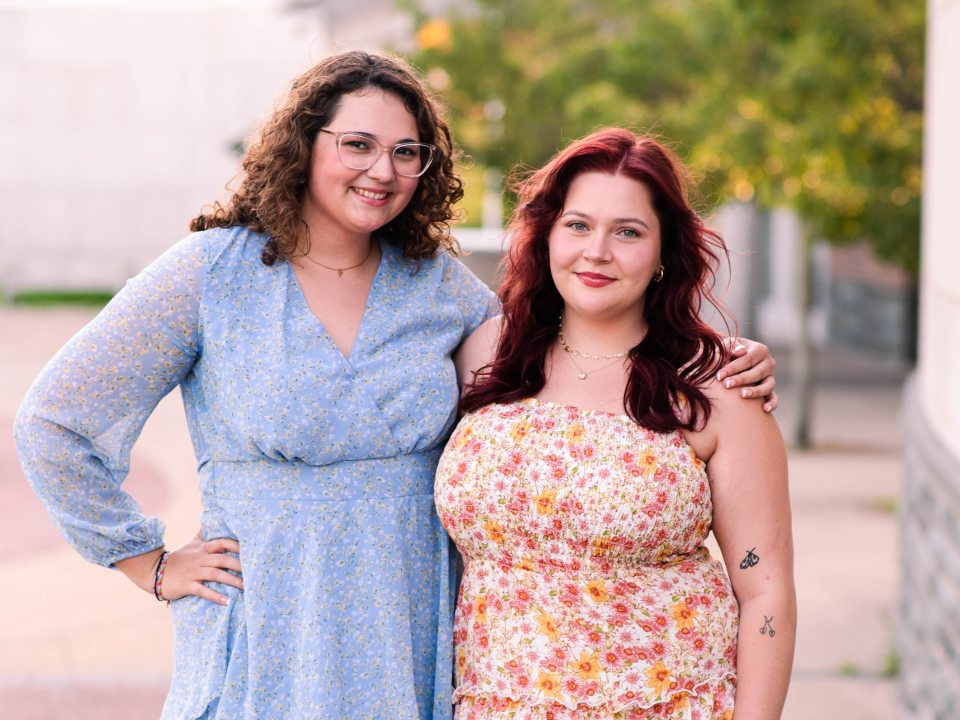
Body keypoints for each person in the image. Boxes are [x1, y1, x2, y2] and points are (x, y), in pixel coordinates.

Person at [14, 52, 779, 720]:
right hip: (273, 628)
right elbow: (55, 420)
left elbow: (577, 343)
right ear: (301, 145)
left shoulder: (440, 289)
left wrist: (720, 361)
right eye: (357, 144)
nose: (382, 170)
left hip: (412, 635)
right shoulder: (211, 275)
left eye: (406, 151)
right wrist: (144, 562)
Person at [436, 128, 796, 719]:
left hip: (664, 703)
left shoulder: (719, 386)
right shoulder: (486, 352)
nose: (596, 251)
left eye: (627, 232)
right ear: (546, 233)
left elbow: (766, 592)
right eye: (578, 225)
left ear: (663, 254)